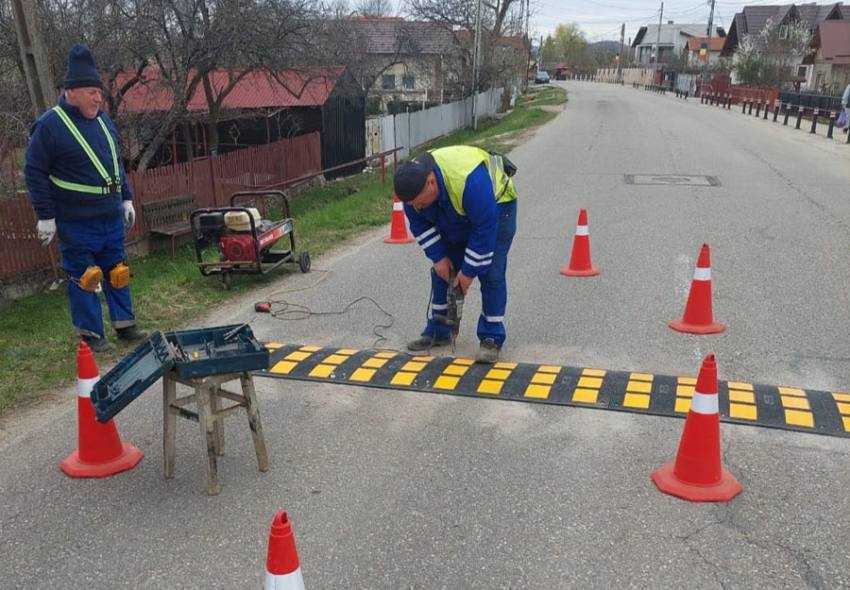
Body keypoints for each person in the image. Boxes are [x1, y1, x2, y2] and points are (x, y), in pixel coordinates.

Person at [25, 44, 146, 352]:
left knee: (117, 272)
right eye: (91, 91)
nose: (98, 97)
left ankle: (125, 325)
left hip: (109, 218)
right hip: (76, 223)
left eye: (99, 92)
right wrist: (45, 216)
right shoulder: (50, 126)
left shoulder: (104, 122)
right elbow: (34, 172)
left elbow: (116, 164)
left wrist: (126, 198)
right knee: (86, 278)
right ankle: (92, 335)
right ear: (71, 92)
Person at [393, 146, 518, 364]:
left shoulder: (470, 182)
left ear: (431, 183)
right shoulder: (412, 189)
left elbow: (484, 231)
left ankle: (491, 336)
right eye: (411, 204)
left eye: (419, 202)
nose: (415, 207)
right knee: (444, 271)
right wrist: (439, 258)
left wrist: (468, 274)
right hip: (455, 209)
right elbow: (420, 225)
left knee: (491, 273)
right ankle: (440, 330)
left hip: (497, 205)